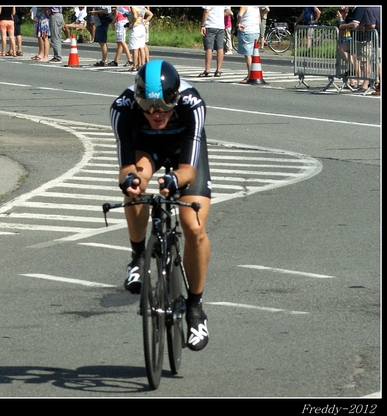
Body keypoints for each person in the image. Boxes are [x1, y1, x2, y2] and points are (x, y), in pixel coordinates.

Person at [110, 60, 212, 351]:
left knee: (193, 227)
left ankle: (195, 308)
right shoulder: (122, 108)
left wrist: (173, 178)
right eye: (148, 106)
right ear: (138, 99)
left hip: (184, 152)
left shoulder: (193, 104)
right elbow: (126, 166)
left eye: (164, 107)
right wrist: (130, 180)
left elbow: (189, 173)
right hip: (147, 148)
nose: (156, 113)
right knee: (134, 187)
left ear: (175, 98)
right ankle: (138, 256)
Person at [199, 6, 232, 78]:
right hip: (220, 26)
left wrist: (203, 25)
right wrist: (219, 15)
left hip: (210, 25)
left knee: (209, 48)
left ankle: (207, 70)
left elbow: (206, 11)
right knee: (220, 48)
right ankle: (218, 70)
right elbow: (229, 12)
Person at [338, 7, 367, 90]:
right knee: (342, 48)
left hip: (361, 39)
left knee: (357, 60)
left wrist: (343, 26)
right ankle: (351, 71)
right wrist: (341, 17)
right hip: (353, 38)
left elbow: (355, 25)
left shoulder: (359, 9)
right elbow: (343, 26)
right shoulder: (351, 11)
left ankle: (359, 82)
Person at [236, 6, 261, 83]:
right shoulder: (256, 7)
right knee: (254, 54)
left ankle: (250, 75)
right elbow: (259, 21)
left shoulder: (244, 6)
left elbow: (240, 15)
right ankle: (254, 72)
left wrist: (238, 23)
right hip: (256, 31)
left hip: (246, 31)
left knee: (248, 55)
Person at [127, 6, 153, 72]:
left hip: (135, 28)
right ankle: (142, 65)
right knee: (141, 47)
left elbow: (135, 16)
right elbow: (150, 14)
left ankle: (134, 66)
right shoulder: (142, 7)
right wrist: (144, 22)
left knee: (135, 48)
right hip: (142, 28)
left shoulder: (133, 7)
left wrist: (132, 23)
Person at [361, 6, 380, 95]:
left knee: (378, 63)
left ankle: (380, 87)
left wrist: (365, 28)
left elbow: (372, 25)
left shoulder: (370, 9)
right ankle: (378, 84)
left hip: (378, 39)